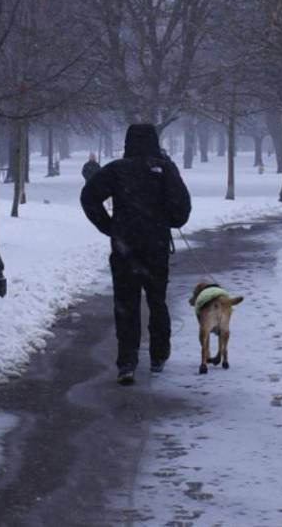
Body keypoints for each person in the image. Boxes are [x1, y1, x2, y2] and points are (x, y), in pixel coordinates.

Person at [81, 124, 191, 385]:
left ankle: (127, 361)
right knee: (157, 301)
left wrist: (109, 227)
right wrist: (168, 219)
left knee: (126, 304)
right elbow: (182, 209)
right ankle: (158, 354)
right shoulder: (164, 169)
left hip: (125, 247)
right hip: (156, 246)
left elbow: (89, 197)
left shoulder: (118, 170)